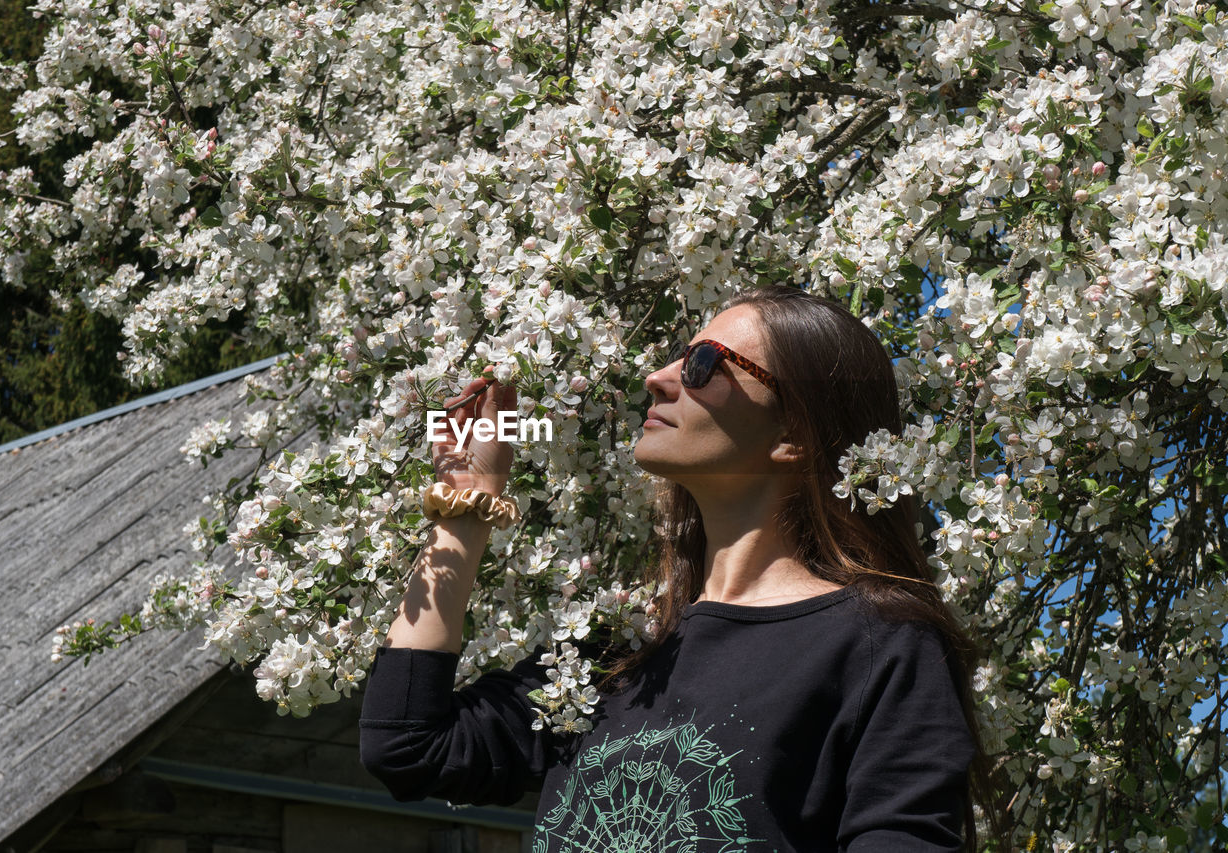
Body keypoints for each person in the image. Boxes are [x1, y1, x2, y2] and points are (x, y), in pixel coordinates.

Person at [358, 285, 1009, 852]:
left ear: (796, 435)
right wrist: (465, 509)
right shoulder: (615, 657)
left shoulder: (879, 644)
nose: (660, 376)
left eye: (703, 364)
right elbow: (408, 745)